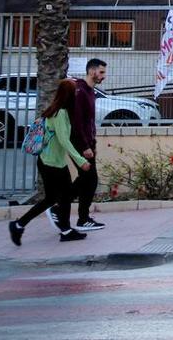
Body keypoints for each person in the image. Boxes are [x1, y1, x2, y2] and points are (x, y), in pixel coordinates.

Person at [8, 78, 91, 245]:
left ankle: (18, 224)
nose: (77, 94)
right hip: (53, 164)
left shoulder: (54, 109)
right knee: (65, 196)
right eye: (75, 91)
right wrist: (80, 160)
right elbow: (63, 140)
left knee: (52, 198)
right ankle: (66, 230)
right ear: (69, 95)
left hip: (48, 161)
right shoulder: (60, 113)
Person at [69, 57, 106, 232]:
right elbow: (77, 122)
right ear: (92, 71)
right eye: (101, 72)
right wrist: (84, 146)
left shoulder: (90, 91)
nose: (103, 76)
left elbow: (89, 121)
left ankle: (77, 215)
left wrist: (92, 143)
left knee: (86, 179)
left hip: (89, 143)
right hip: (80, 144)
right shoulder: (80, 91)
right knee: (90, 180)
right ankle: (80, 218)